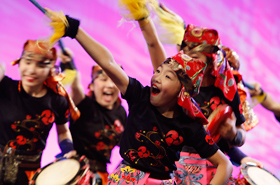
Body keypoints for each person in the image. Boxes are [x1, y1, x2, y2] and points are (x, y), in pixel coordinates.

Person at [46, 8, 233, 185]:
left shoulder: (190, 125)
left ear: (182, 91)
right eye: (158, 71)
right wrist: (76, 31)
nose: (156, 77)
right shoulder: (140, 96)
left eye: (167, 76)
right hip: (124, 179)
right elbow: (109, 62)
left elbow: (225, 164)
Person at [116, 1, 245, 183]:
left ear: (210, 61)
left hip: (211, 169)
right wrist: (142, 18)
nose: (185, 60)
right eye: (184, 53)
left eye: (194, 58)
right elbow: (153, 44)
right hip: (174, 167)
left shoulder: (227, 91)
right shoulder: (176, 81)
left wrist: (234, 134)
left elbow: (240, 135)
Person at [0, 39, 77, 185]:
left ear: (51, 69)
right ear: (19, 62)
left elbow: (62, 131)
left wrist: (68, 148)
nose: (32, 70)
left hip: (30, 174)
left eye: (41, 64)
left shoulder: (57, 101)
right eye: (27, 62)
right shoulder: (4, 86)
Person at [58, 48, 127, 185]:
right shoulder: (83, 105)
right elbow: (76, 86)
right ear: (92, 85)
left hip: (101, 176)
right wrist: (69, 64)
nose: (110, 85)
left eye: (115, 80)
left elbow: (127, 146)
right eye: (103, 79)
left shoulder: (121, 112)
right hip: (73, 170)